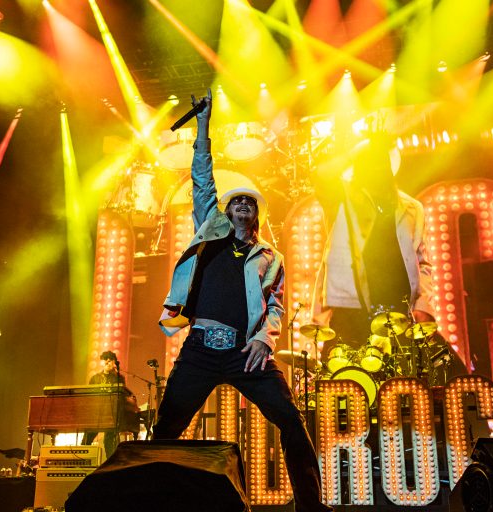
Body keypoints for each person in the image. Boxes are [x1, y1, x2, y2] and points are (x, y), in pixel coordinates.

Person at [154, 89, 332, 512]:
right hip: (199, 348)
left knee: (291, 421)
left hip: (244, 352)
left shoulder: (271, 257)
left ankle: (311, 506)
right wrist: (202, 126)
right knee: (165, 429)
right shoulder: (208, 235)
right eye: (235, 201)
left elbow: (276, 307)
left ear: (256, 213)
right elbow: (202, 178)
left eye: (248, 202)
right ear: (226, 210)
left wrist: (264, 342)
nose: (241, 206)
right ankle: (149, 500)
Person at [312, 137, 464, 382]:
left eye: (379, 161)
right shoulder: (341, 200)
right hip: (351, 309)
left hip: (399, 308)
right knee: (346, 381)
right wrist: (360, 149)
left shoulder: (411, 208)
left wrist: (423, 306)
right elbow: (322, 176)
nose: (375, 168)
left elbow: (422, 262)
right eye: (369, 163)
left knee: (449, 375)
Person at [86, 351, 129, 457]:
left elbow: (122, 394)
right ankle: (82, 462)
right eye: (105, 359)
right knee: (87, 439)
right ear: (101, 362)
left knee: (109, 442)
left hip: (112, 414)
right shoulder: (95, 378)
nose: (107, 361)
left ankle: (109, 464)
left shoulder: (119, 378)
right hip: (97, 413)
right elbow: (89, 395)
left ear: (114, 362)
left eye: (110, 359)